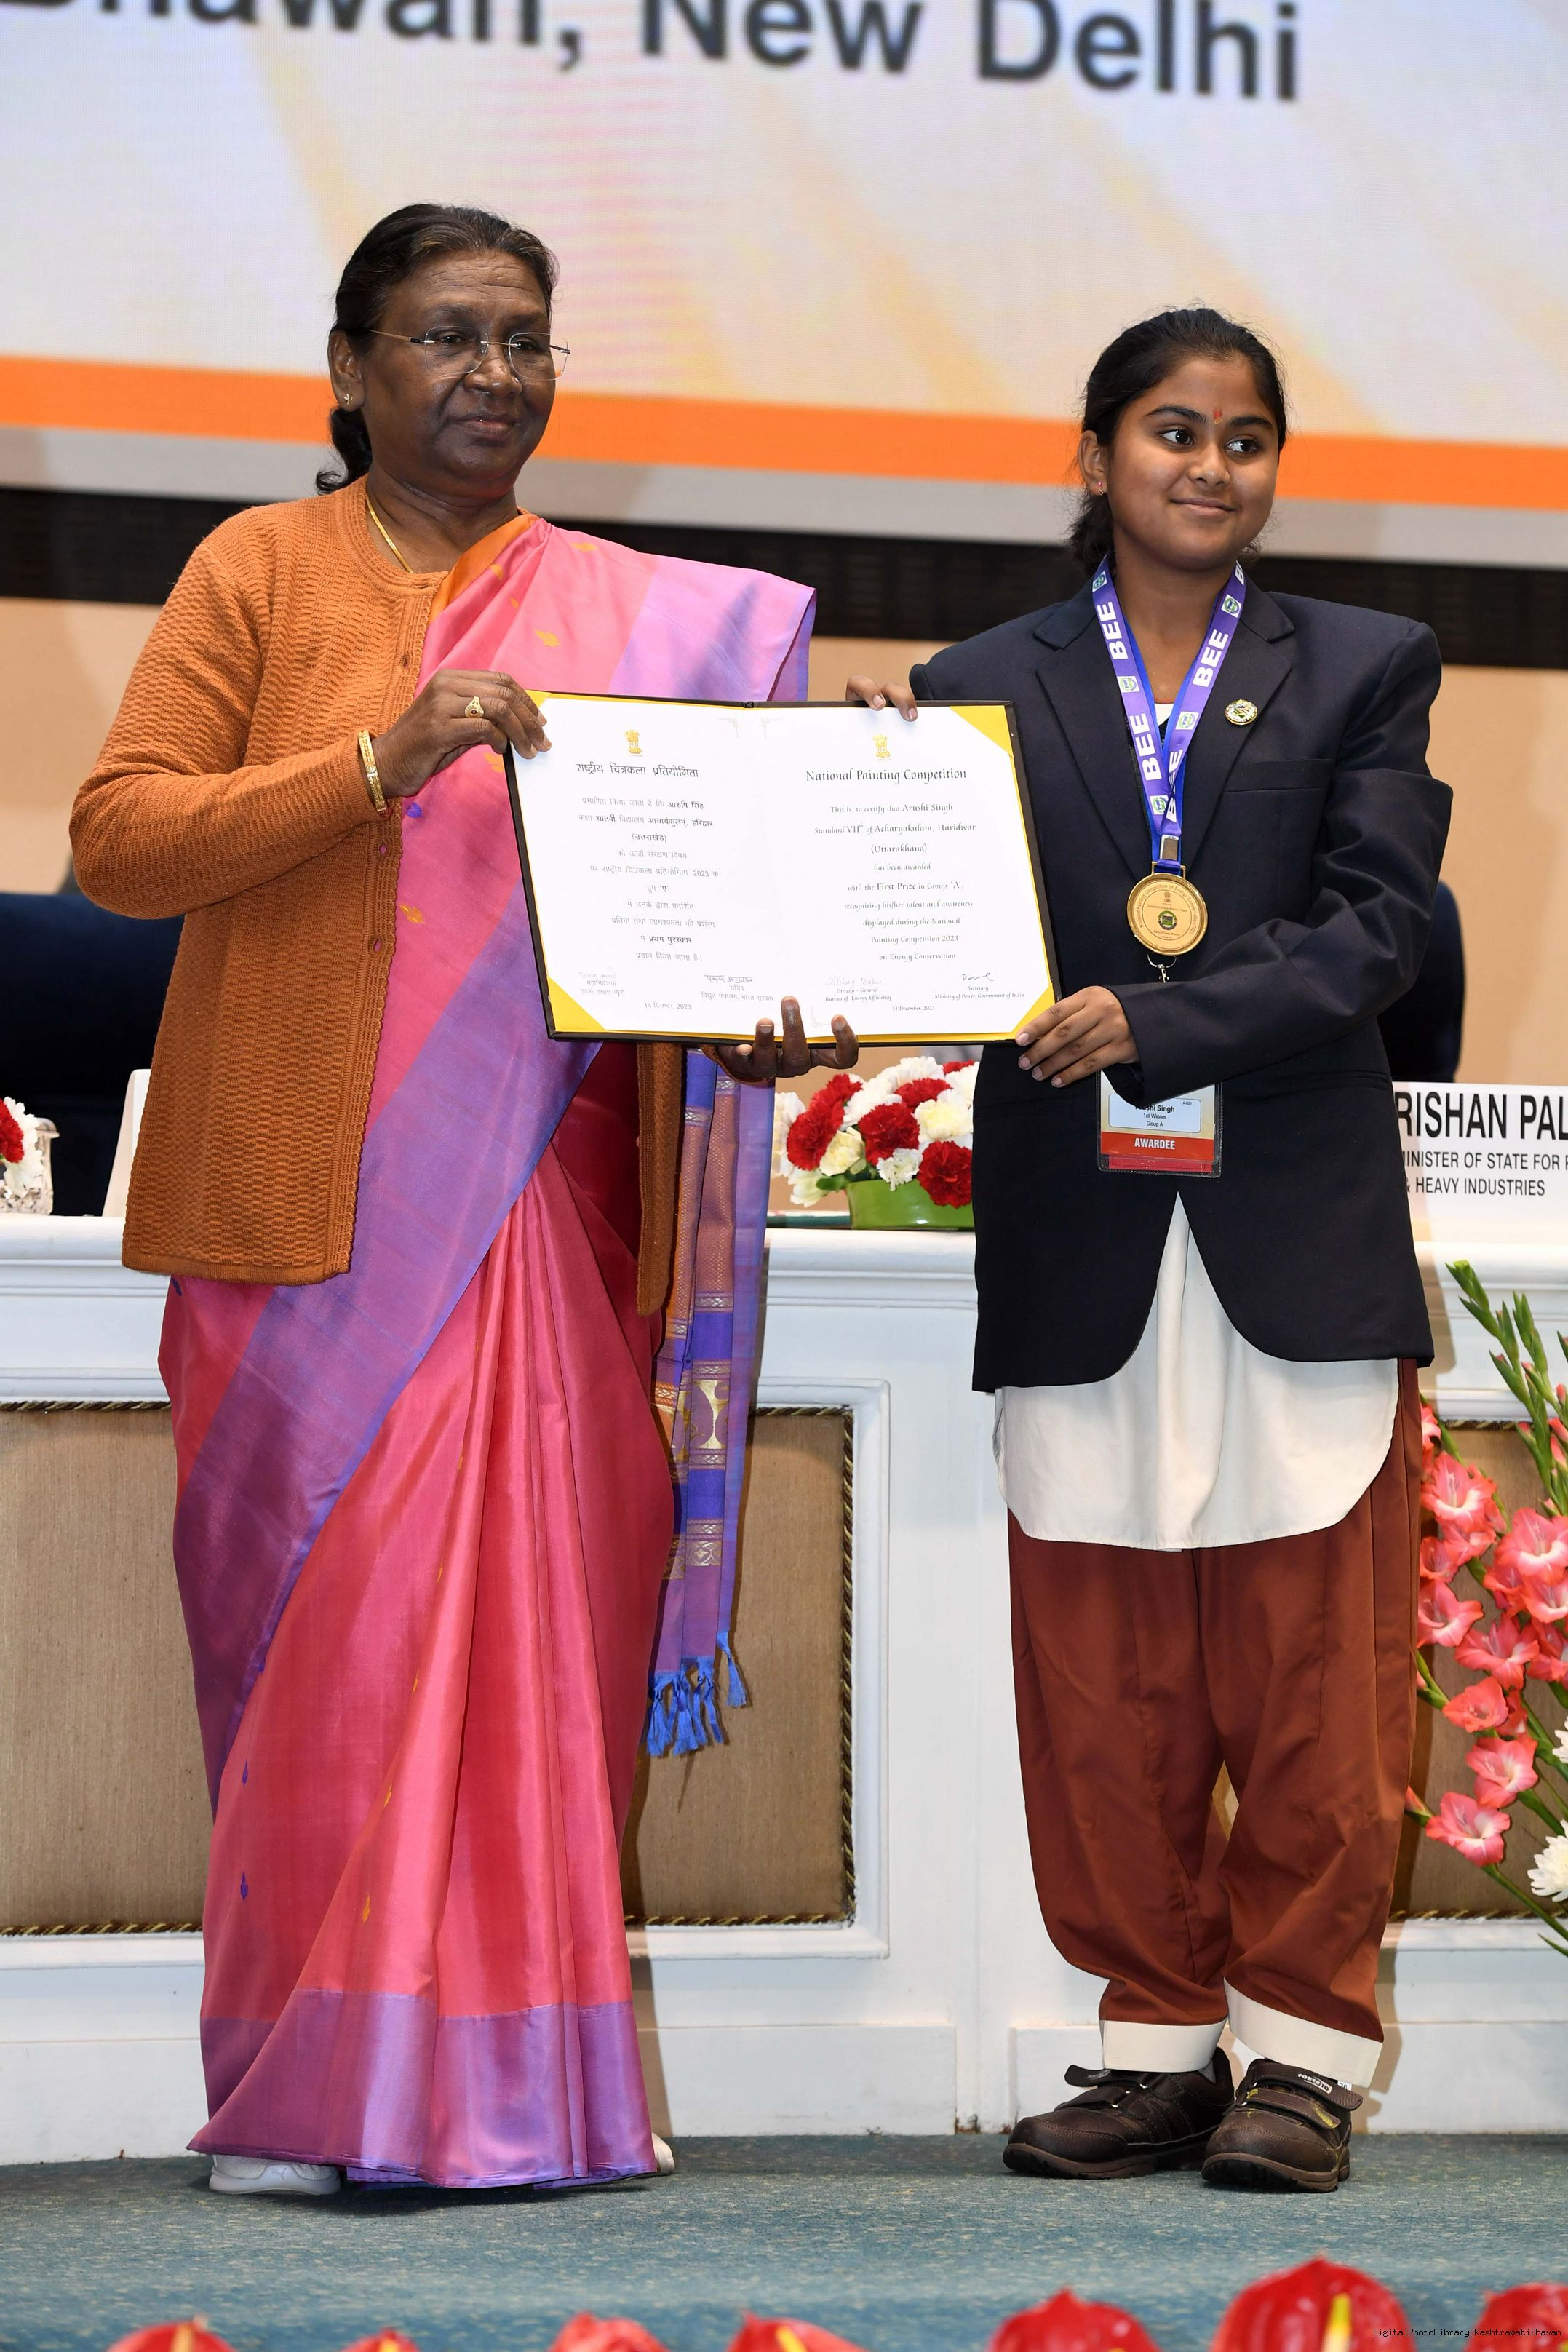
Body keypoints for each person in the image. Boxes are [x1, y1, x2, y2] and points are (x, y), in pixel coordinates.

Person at [72, 203, 856, 2198]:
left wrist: (775, 1000)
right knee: (331, 1671)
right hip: (303, 1221)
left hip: (556, 1219)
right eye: (447, 334)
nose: (495, 373)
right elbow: (121, 842)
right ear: (352, 368)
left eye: (525, 338)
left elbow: (696, 942)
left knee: (530, 1657)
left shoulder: (641, 625)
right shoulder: (259, 567)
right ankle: (303, 2092)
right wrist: (376, 759)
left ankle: (523, 2089)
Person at [851, 309, 1448, 2193]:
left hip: (1290, 1218)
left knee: (1311, 1673)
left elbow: (1380, 928)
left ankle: (1301, 2055)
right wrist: (855, 847)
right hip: (1081, 1225)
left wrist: (1159, 1023)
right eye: (1173, 430)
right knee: (1102, 1677)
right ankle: (1152, 2045)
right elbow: (940, 939)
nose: (1210, 465)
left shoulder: (1362, 663)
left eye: (1244, 437)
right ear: (1100, 451)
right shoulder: (976, 683)